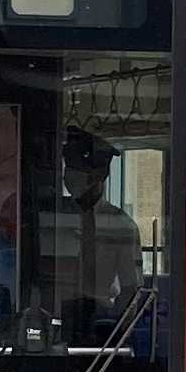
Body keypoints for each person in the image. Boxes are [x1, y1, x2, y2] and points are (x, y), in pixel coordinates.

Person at [42, 127, 143, 339]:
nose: (69, 177)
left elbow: (130, 289)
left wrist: (119, 334)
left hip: (99, 321)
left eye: (77, 171)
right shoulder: (52, 217)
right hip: (51, 320)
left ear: (98, 175)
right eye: (68, 168)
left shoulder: (120, 225)